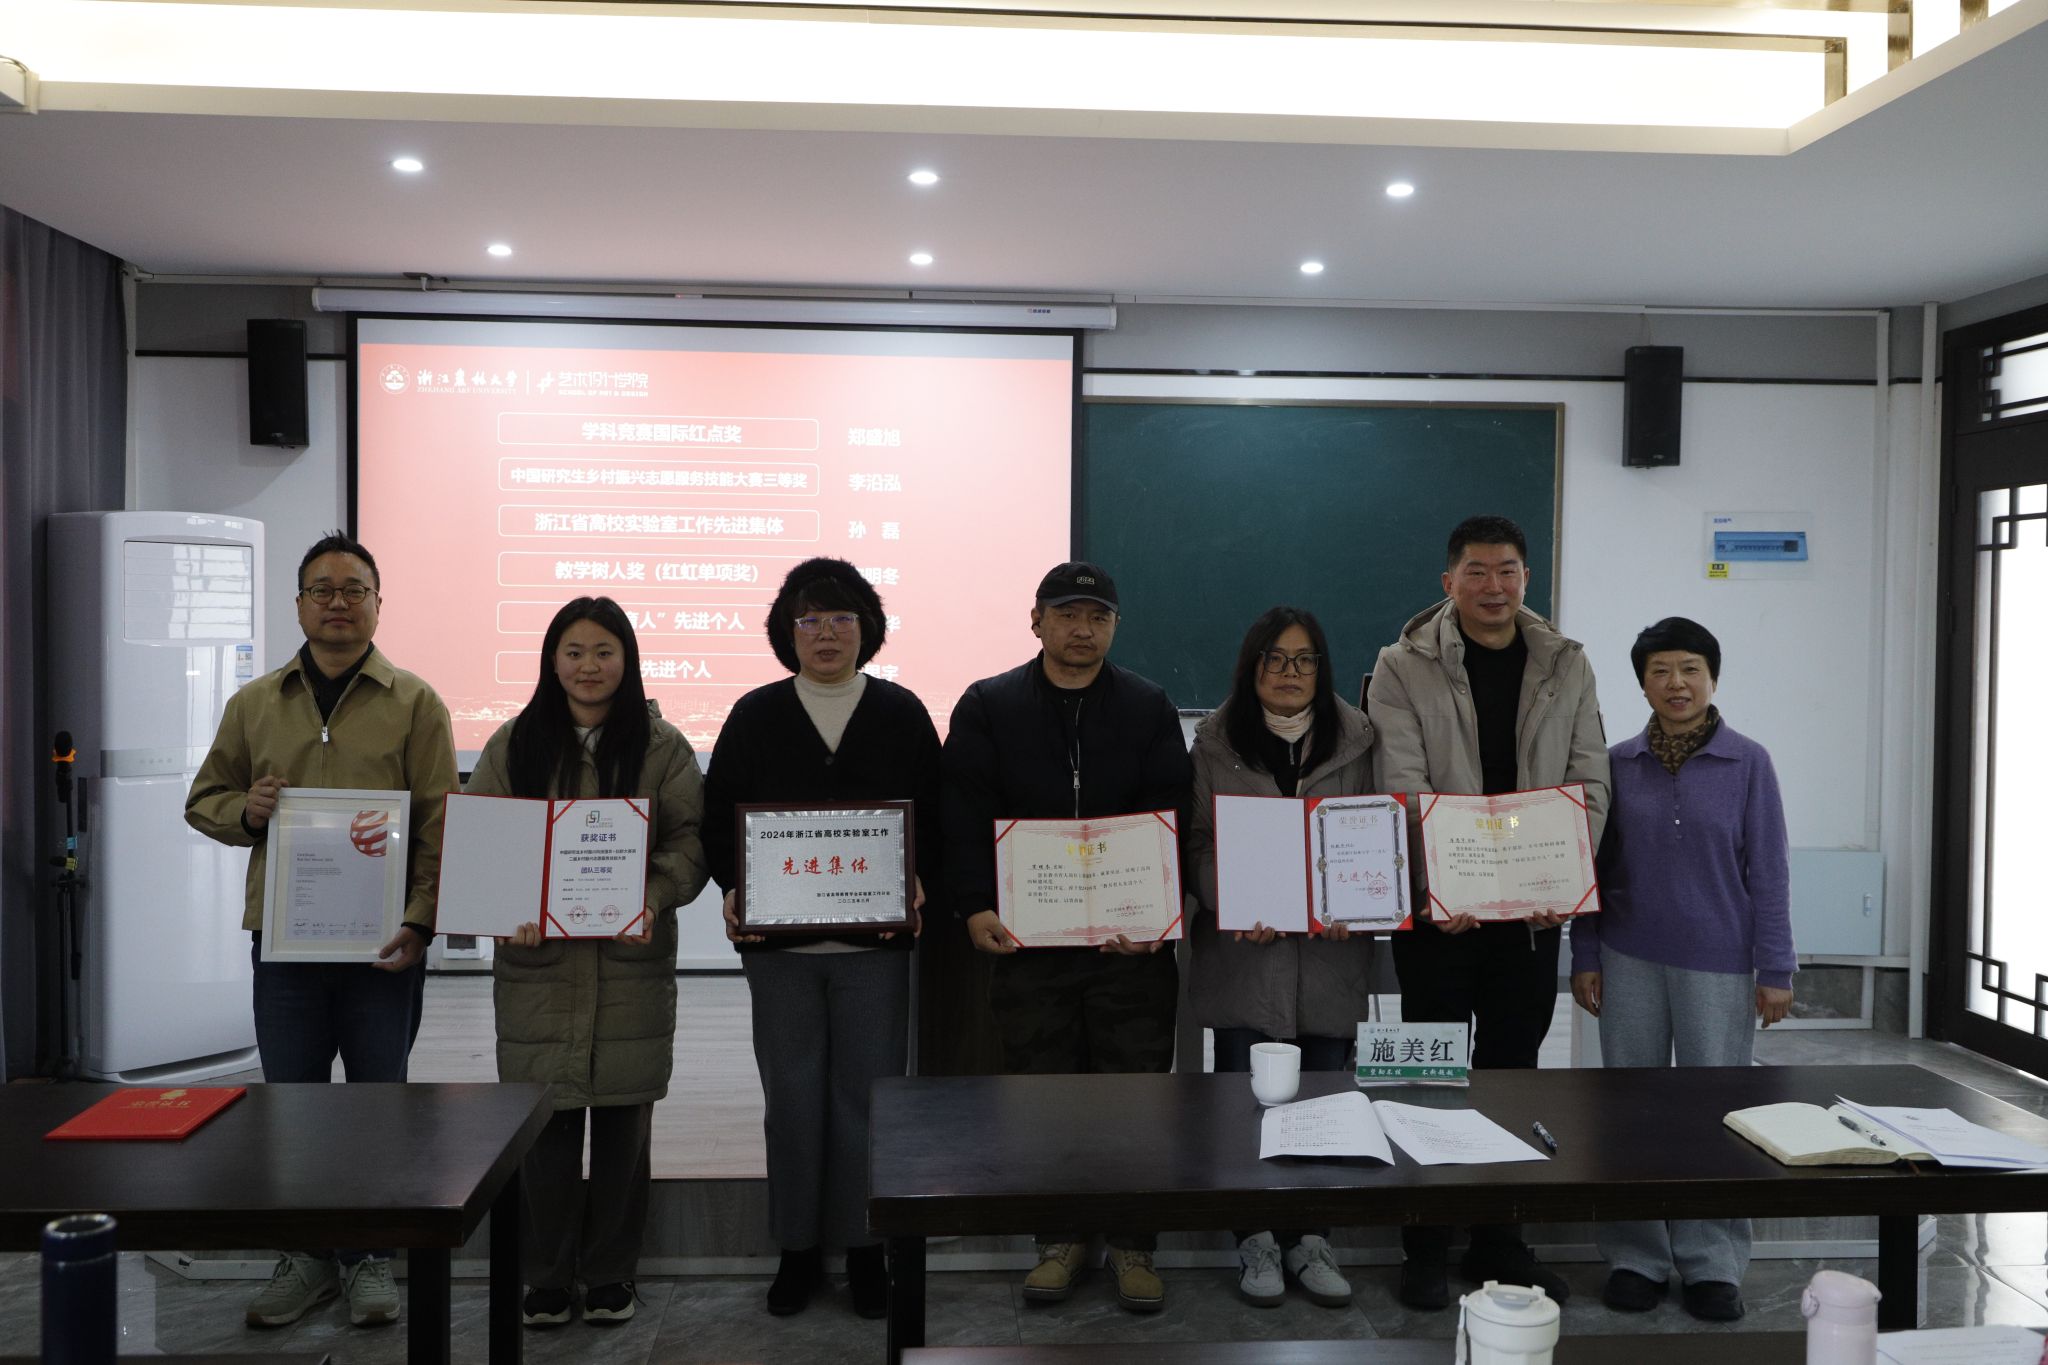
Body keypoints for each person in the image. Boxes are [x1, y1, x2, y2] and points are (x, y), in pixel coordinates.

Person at [186, 530, 457, 1330]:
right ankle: (305, 1254)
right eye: (323, 589)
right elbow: (204, 799)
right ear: (300, 604)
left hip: (386, 947)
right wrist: (246, 811)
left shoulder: (416, 702)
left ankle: (369, 1255)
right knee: (293, 1106)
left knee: (378, 1103)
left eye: (354, 589)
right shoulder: (255, 702)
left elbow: (441, 823)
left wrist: (421, 920)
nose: (338, 602)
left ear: (378, 603)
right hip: (288, 945)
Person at [1366, 514, 1610, 1311]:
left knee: (1513, 1073)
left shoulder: (1567, 663)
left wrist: (1560, 874)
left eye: (1507, 570)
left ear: (1526, 578)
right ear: (1449, 582)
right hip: (1440, 914)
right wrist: (1448, 883)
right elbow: (1401, 783)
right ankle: (1426, 1241)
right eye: (1476, 571)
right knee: (1428, 1070)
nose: (1493, 586)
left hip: (1530, 917)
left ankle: (1500, 1239)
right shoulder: (1401, 664)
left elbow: (1590, 780)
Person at [943, 561, 1192, 1314]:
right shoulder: (989, 704)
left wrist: (1159, 913)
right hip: (1031, 945)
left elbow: (1172, 812)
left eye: (1098, 616)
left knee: (1135, 1097)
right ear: (1037, 620)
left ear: (1114, 625)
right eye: (1067, 614)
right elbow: (962, 812)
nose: (1083, 629)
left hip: (1130, 950)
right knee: (1041, 1096)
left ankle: (1135, 1245)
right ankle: (1057, 1241)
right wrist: (974, 904)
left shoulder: (1148, 705)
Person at [702, 558, 942, 1320]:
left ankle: (866, 1250)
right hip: (782, 955)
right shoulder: (754, 715)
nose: (826, 632)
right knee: (793, 1100)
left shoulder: (902, 712)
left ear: (867, 629)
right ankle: (797, 1249)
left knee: (867, 1100)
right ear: (788, 631)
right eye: (810, 618)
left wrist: (920, 878)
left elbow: (935, 815)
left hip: (875, 949)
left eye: (842, 617)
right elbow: (718, 820)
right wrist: (733, 886)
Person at [464, 596, 708, 1328]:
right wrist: (505, 908)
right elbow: (485, 842)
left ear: (627, 659)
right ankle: (545, 1276)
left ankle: (609, 1274)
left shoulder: (662, 747)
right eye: (573, 651)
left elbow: (690, 842)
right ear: (552, 660)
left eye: (604, 651)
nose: (588, 666)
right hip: (539, 970)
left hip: (630, 965)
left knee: (624, 1132)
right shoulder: (514, 742)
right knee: (544, 1131)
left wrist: (652, 896)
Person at [1570, 616, 1793, 1323]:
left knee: (1715, 1115)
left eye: (1690, 668)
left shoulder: (1748, 763)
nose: (1677, 683)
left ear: (1712, 678)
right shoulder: (1615, 764)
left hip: (1719, 964)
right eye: (1661, 670)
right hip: (1628, 957)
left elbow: (1770, 872)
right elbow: (1591, 870)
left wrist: (1776, 965)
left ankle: (1711, 1262)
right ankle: (1635, 1255)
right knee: (1630, 1111)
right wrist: (1585, 954)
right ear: (1642, 683)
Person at [1187, 606, 1375, 1310]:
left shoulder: (1360, 741)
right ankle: (1256, 1238)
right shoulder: (1215, 743)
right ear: (1252, 667)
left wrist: (1356, 904)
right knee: (1244, 1105)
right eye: (1275, 658)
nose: (1289, 673)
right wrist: (1234, 899)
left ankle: (1311, 1238)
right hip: (1246, 961)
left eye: (1304, 659)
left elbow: (1375, 834)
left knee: (1326, 1103)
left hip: (1329, 961)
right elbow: (1198, 843)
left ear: (1321, 669)